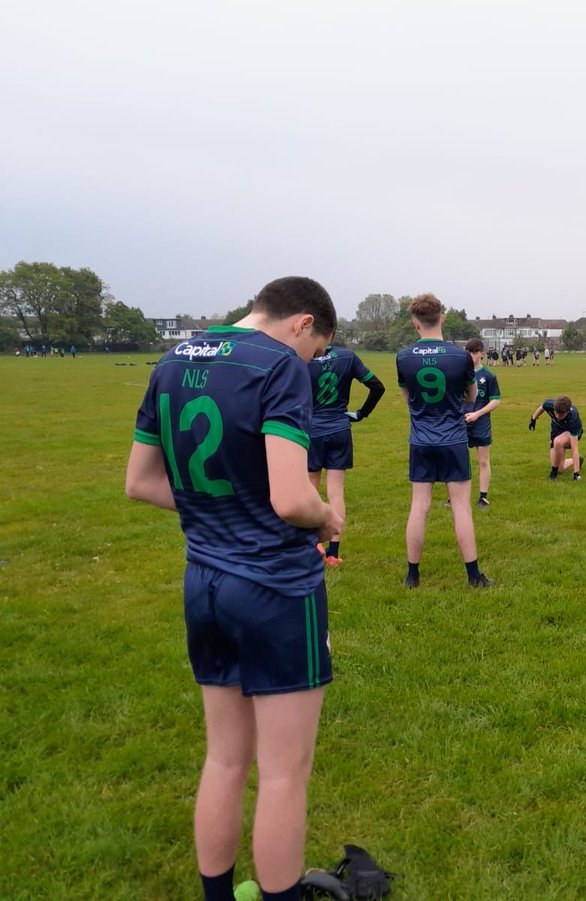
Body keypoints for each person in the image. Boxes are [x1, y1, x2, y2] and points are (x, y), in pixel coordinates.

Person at [125, 276, 341, 901]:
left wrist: (220, 515)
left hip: (205, 582)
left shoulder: (172, 360)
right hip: (275, 585)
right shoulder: (280, 365)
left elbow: (140, 482)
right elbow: (292, 497)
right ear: (302, 323)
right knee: (282, 773)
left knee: (223, 757)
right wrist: (327, 516)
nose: (312, 363)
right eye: (316, 349)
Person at [395, 294, 492, 589]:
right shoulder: (460, 356)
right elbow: (473, 398)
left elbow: (408, 400)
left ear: (415, 322)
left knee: (419, 506)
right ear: (442, 317)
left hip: (421, 439)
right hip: (452, 438)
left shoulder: (403, 357)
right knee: (461, 507)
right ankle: (474, 576)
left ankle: (412, 576)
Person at [307, 343, 386, 565]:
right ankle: (333, 553)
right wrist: (362, 413)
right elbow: (377, 386)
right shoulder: (347, 356)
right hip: (339, 429)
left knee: (310, 488)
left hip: (311, 430)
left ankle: (312, 545)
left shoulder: (303, 356)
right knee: (336, 493)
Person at [463, 337, 502, 508]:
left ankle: (483, 496)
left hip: (481, 423)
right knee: (459, 460)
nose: (471, 356)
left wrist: (477, 414)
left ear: (482, 354)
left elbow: (496, 401)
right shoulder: (459, 374)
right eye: (468, 352)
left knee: (483, 461)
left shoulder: (488, 376)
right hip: (460, 423)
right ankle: (456, 495)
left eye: (474, 352)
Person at [529, 395, 584, 480]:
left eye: (561, 415)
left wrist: (576, 473)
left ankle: (553, 473)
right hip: (557, 431)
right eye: (556, 413)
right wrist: (533, 419)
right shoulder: (550, 404)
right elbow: (542, 407)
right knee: (560, 469)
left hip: (571, 433)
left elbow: (574, 448)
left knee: (558, 441)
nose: (558, 416)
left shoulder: (573, 418)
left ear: (567, 412)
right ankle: (575, 461)